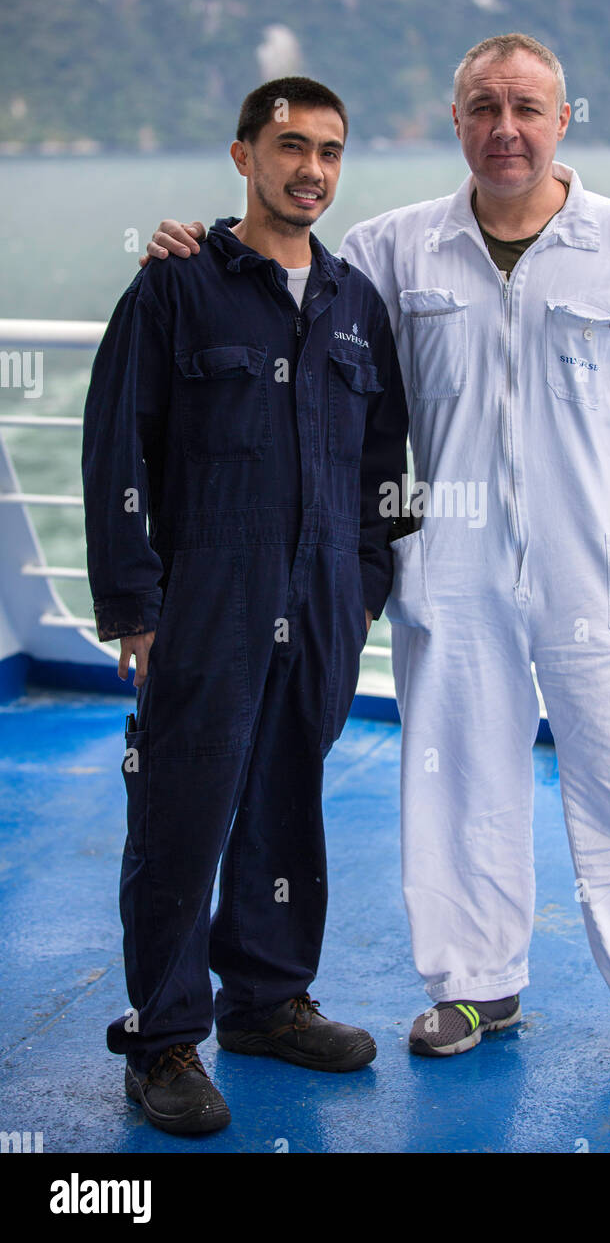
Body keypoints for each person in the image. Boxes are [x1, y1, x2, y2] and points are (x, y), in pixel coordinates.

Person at [143, 35, 610, 1085]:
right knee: (456, 776)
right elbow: (285, 270)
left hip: (589, 560)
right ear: (453, 120)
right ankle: (473, 984)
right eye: (481, 108)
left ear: (563, 120)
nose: (503, 129)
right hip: (448, 557)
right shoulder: (394, 249)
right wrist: (195, 250)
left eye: (525, 108)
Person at [82, 76, 409, 1135]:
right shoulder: (176, 287)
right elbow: (114, 449)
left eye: (328, 150)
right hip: (207, 596)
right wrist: (134, 599)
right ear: (242, 157)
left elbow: (382, 464)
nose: (309, 169)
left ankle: (267, 1002)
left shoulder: (356, 303)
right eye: (288, 146)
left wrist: (362, 581)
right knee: (181, 811)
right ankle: (165, 1039)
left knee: (283, 801)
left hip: (319, 599)